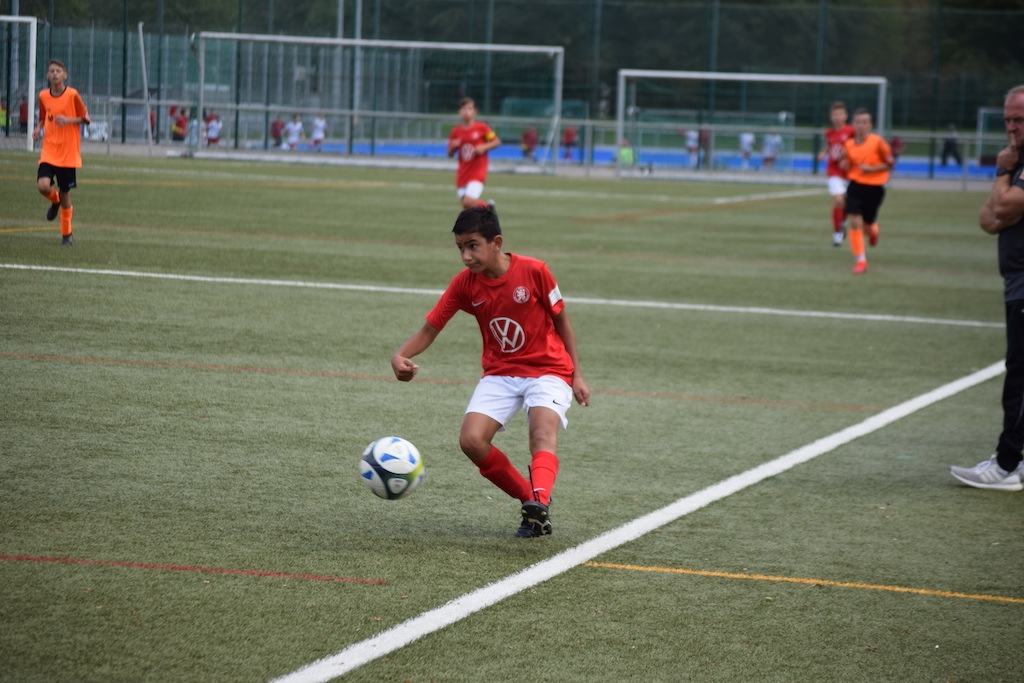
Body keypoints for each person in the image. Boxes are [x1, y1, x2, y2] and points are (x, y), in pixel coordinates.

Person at [390, 206, 590, 537]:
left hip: (549, 369)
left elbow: (562, 321)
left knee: (541, 433)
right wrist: (400, 355)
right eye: (460, 248)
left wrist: (577, 375)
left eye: (473, 246)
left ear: (496, 242)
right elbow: (430, 329)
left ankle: (539, 499)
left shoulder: (535, 271)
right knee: (471, 440)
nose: (466, 256)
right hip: (500, 373)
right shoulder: (465, 284)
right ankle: (532, 502)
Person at [950, 85, 1024, 491]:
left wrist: (1001, 174)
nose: (1011, 127)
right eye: (1008, 120)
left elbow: (1002, 207)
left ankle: (1006, 465)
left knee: (1020, 378)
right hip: (1015, 281)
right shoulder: (1017, 162)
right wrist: (1005, 192)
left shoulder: (1010, 164)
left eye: (1019, 120)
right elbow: (988, 218)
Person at [33, 59, 90, 247]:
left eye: (58, 71)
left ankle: (67, 234)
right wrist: (38, 128)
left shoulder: (72, 94)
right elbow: (44, 117)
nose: (55, 74)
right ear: (47, 76)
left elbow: (86, 118)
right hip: (49, 150)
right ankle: (54, 200)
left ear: (65, 75)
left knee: (65, 193)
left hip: (67, 152)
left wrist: (68, 120)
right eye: (52, 71)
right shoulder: (43, 96)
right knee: (43, 186)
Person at [840, 108, 895, 274]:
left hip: (875, 188)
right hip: (855, 186)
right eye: (858, 122)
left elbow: (890, 163)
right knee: (854, 221)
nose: (861, 125)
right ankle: (861, 260)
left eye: (864, 122)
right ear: (853, 124)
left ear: (870, 125)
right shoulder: (849, 145)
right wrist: (844, 165)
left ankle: (873, 231)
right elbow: (846, 164)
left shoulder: (878, 142)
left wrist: (872, 169)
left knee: (867, 226)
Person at [447, 97, 500, 210]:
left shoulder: (482, 127)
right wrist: (453, 147)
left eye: (469, 108)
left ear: (475, 112)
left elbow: (496, 141)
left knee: (468, 201)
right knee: (467, 205)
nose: (466, 111)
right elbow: (450, 154)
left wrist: (484, 147)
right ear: (459, 112)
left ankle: (487, 210)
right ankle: (487, 209)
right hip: (463, 172)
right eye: (464, 109)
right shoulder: (456, 131)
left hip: (477, 171)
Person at [818, 101, 855, 247]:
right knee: (839, 200)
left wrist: (847, 158)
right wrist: (823, 152)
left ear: (845, 116)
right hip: (834, 171)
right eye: (835, 115)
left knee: (847, 204)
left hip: (850, 172)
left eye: (840, 114)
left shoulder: (851, 131)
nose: (838, 117)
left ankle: (842, 222)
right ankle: (837, 233)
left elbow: (857, 146)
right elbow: (830, 145)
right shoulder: (829, 132)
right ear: (831, 117)